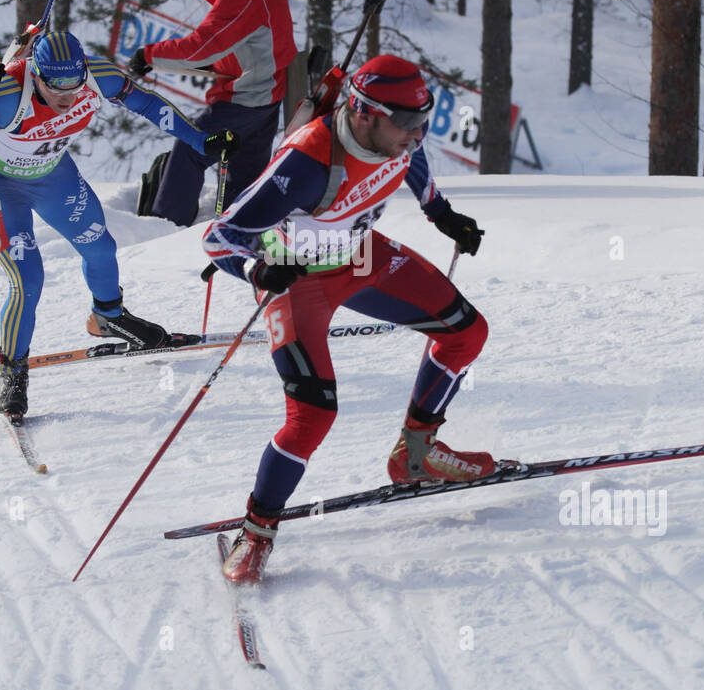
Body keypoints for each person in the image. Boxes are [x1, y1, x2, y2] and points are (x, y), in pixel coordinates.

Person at [202, 54, 495, 584]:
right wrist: (255, 269)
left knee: (466, 331)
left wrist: (440, 212)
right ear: (363, 113)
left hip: (362, 256)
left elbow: (413, 158)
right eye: (405, 123)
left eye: (423, 121)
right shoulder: (306, 164)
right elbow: (219, 237)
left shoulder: (397, 133)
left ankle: (417, 452)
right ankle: (256, 529)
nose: (415, 133)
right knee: (312, 417)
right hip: (297, 278)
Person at [0, 30, 238, 418]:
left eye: (74, 83)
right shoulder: (6, 92)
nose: (68, 96)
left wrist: (199, 141)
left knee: (101, 247)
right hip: (0, 184)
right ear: (36, 76)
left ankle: (108, 317)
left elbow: (147, 104)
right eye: (57, 87)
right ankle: (12, 372)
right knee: (27, 280)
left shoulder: (94, 74)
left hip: (54, 177)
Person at [127, 0, 296, 226]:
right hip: (266, 92)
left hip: (247, 96)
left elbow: (203, 45)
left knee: (192, 146)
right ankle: (238, 228)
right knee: (245, 173)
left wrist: (148, 55)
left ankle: (166, 224)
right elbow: (242, 41)